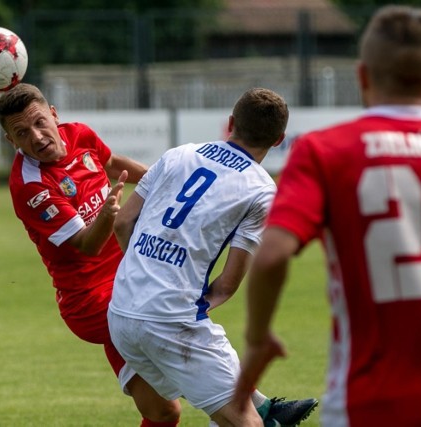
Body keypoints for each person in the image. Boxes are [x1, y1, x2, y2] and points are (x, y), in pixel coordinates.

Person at [233, 5, 421, 427]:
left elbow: (273, 253)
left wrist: (258, 339)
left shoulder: (324, 152)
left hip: (370, 402)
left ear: (362, 76)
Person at [108, 88, 317, 426]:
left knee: (211, 405)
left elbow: (122, 223)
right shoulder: (262, 190)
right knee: (246, 422)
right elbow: (228, 284)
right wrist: (187, 301)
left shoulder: (177, 154)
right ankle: (264, 412)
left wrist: (144, 273)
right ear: (279, 140)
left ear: (230, 123)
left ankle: (265, 407)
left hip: (120, 312)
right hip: (171, 319)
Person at [0, 83, 183, 427]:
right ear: (11, 142)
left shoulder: (79, 134)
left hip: (127, 278)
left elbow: (111, 163)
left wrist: (166, 181)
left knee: (163, 413)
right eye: (22, 133)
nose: (36, 137)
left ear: (54, 114)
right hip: (93, 302)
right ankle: (251, 405)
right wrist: (109, 214)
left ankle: (241, 401)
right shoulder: (29, 185)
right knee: (180, 326)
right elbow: (87, 244)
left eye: (39, 123)